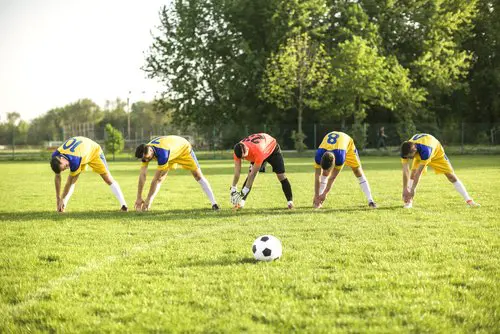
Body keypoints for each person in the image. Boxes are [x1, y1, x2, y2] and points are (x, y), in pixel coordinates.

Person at [134, 135, 219, 211]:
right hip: (171, 151)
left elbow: (154, 179)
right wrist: (139, 197)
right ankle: (148, 206)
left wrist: (147, 200)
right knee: (160, 178)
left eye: (147, 158)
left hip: (183, 149)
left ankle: (214, 203)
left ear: (150, 151)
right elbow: (142, 175)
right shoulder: (146, 151)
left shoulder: (162, 154)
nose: (146, 160)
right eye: (143, 159)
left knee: (198, 176)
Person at [400, 133, 480, 208]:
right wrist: (404, 189)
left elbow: (419, 173)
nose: (409, 159)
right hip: (419, 152)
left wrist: (413, 189)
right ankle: (408, 201)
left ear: (414, 151)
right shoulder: (406, 149)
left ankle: (469, 200)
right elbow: (405, 170)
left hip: (436, 153)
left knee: (451, 176)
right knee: (412, 174)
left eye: (410, 157)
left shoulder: (426, 151)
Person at [50, 136, 128, 212]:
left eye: (65, 166)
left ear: (62, 158)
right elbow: (57, 176)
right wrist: (58, 198)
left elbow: (69, 182)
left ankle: (124, 205)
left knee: (107, 178)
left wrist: (62, 198)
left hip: (93, 151)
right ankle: (62, 207)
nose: (67, 168)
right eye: (64, 169)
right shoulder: (55, 157)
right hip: (82, 151)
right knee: (73, 180)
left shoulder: (74, 160)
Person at [313, 131, 377, 209]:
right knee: (325, 174)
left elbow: (332, 177)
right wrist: (316, 195)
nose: (327, 171)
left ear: (334, 163)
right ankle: (318, 201)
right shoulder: (318, 156)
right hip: (332, 144)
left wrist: (325, 193)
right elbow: (317, 176)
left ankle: (371, 201)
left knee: (357, 171)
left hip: (347, 143)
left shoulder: (340, 157)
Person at [231, 133, 293, 209]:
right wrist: (233, 187)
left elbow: (253, 174)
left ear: (247, 149)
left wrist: (242, 193)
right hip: (260, 148)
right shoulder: (237, 150)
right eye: (241, 158)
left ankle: (290, 202)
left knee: (281, 175)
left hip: (272, 149)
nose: (243, 159)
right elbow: (237, 172)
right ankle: (241, 203)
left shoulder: (257, 151)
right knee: (249, 177)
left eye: (244, 157)